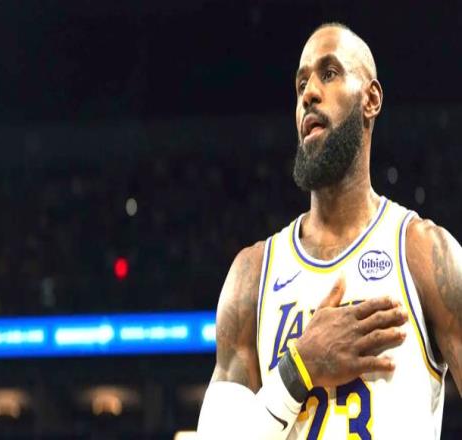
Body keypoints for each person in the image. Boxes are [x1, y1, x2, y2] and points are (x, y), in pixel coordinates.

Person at [197, 23, 462, 439]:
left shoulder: (425, 253)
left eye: (329, 73)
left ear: (371, 99)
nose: (309, 94)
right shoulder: (251, 274)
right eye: (301, 83)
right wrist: (299, 368)